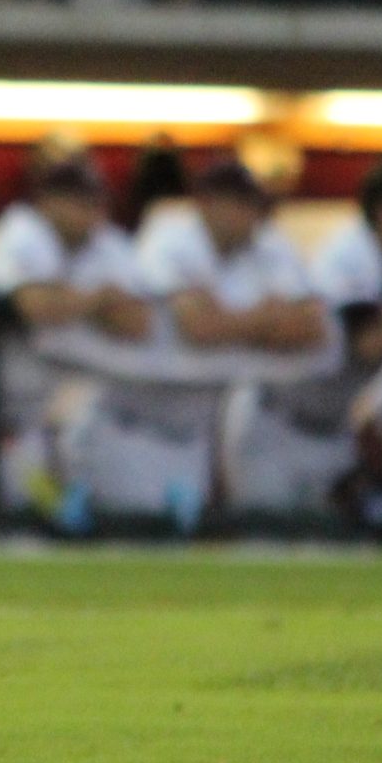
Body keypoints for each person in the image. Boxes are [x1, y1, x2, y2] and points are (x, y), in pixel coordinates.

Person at [75, 158, 325, 530]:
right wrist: (263, 317)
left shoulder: (268, 246)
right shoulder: (170, 235)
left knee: (185, 565)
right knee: (132, 554)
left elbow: (312, 328)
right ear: (207, 203)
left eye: (253, 204)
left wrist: (232, 320)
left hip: (193, 441)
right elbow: (199, 327)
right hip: (130, 430)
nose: (249, 215)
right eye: (238, 203)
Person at [237, 159, 382, 520]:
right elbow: (367, 341)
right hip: (278, 423)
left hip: (334, 429)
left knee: (331, 559)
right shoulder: (347, 255)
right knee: (264, 552)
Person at [0, 153, 147, 519]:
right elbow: (36, 306)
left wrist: (70, 299)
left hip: (27, 430)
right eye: (77, 201)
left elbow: (138, 323)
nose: (89, 212)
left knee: (29, 547)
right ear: (47, 202)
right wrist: (98, 298)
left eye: (94, 202)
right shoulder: (23, 229)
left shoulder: (106, 243)